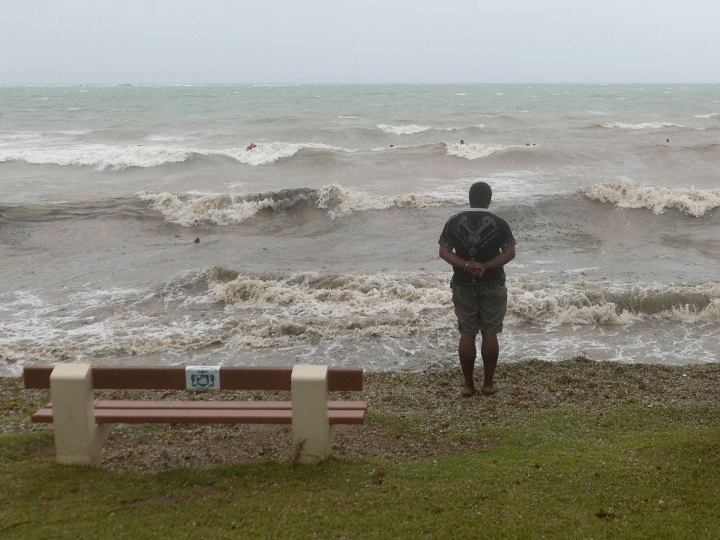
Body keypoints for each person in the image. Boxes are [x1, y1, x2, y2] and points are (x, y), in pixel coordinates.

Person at [438, 182, 516, 397]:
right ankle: (488, 385)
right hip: (493, 284)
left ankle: (469, 386)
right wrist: (485, 266)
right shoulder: (500, 223)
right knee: (490, 332)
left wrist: (466, 265)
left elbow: (444, 251)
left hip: (464, 285)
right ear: (489, 199)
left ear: (469, 198)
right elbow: (509, 253)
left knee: (467, 333)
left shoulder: (453, 222)